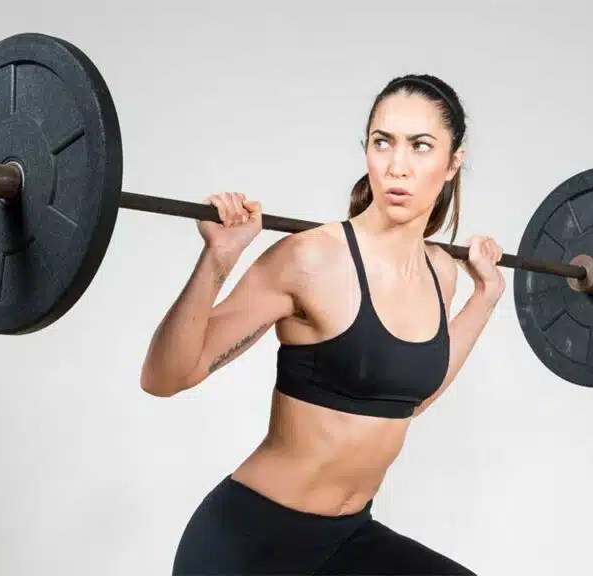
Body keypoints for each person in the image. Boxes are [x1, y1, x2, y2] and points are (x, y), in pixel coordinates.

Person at [140, 73, 504, 575]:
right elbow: (163, 378)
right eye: (384, 143)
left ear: (452, 162)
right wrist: (217, 260)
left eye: (421, 147)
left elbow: (407, 398)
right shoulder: (311, 260)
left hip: (345, 541)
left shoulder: (440, 272)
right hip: (249, 545)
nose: (398, 167)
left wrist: (484, 299)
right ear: (367, 151)